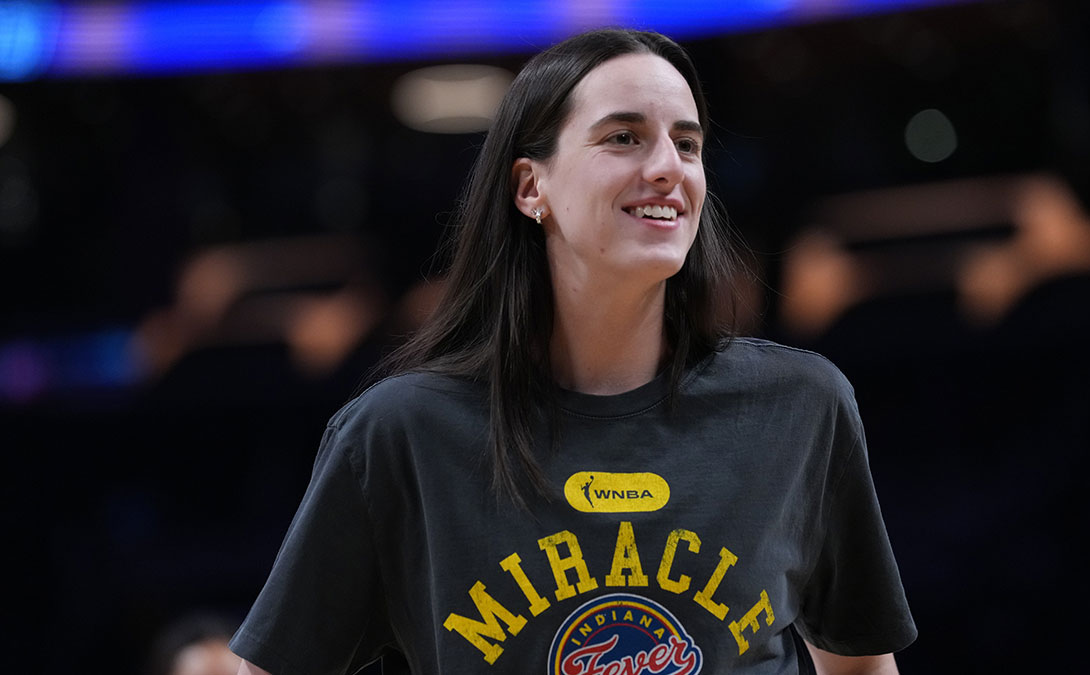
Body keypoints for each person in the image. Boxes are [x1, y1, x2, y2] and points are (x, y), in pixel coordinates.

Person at [231, 28, 916, 675]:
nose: (666, 169)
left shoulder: (801, 405)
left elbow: (858, 661)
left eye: (687, 144)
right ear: (531, 187)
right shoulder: (399, 433)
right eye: (623, 137)